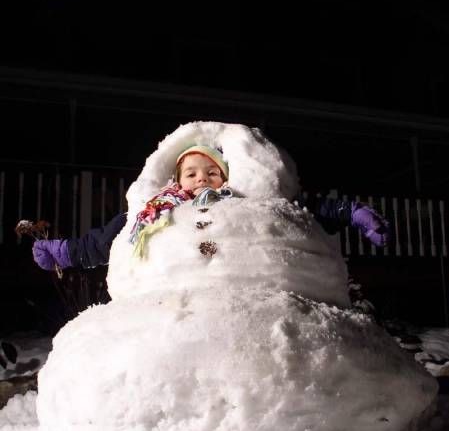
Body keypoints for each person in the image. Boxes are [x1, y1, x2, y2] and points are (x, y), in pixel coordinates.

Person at [32, 144, 390, 271]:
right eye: (191, 173)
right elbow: (108, 239)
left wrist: (351, 212)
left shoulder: (241, 200)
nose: (201, 179)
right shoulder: (154, 212)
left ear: (225, 177)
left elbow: (299, 208)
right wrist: (69, 251)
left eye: (211, 172)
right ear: (177, 179)